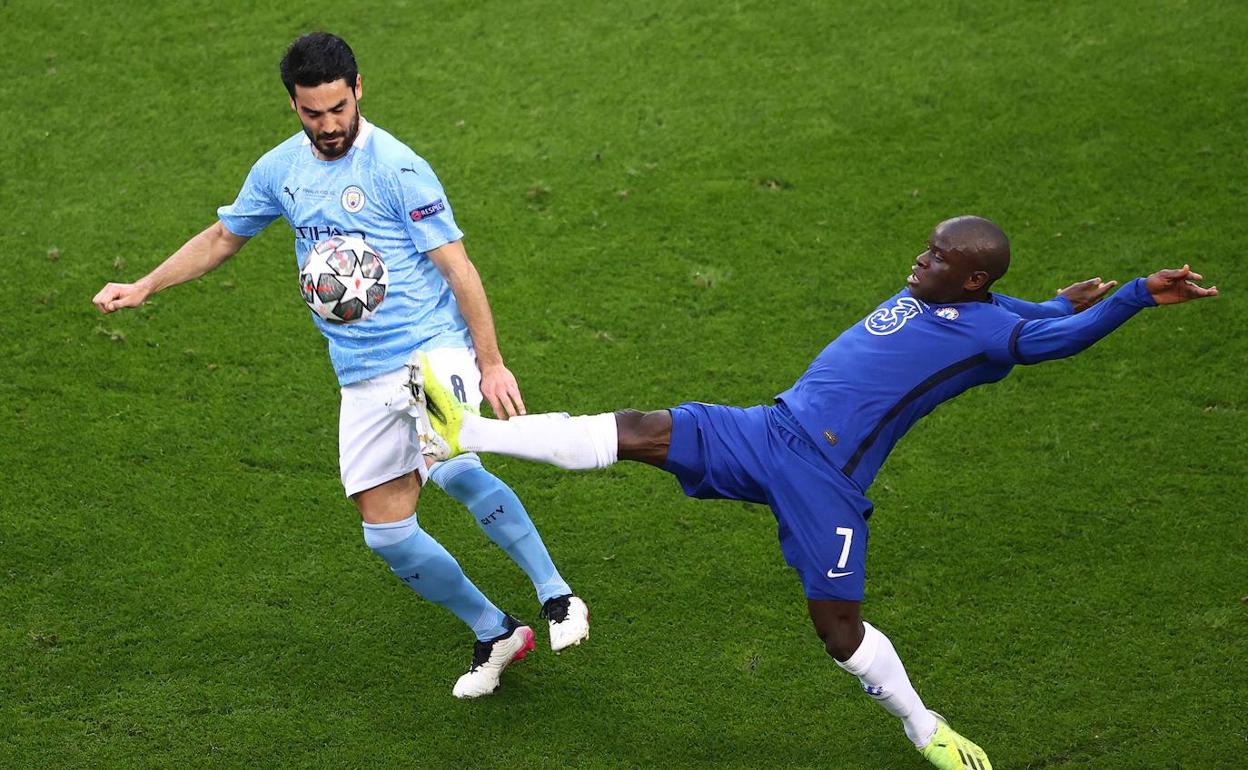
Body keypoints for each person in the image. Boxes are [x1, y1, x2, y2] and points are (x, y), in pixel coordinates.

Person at [415, 215, 1217, 768]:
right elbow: (1026, 313)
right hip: (770, 428)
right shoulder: (969, 300)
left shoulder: (987, 327)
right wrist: (1050, 301)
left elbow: (1049, 340)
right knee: (638, 428)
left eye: (936, 257)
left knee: (836, 630)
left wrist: (1134, 296)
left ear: (967, 277)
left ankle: (923, 725)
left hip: (824, 482)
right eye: (925, 248)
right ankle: (468, 434)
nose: (919, 260)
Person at [91, 31, 589, 699]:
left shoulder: (397, 168)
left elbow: (458, 268)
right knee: (388, 536)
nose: (327, 126)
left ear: (358, 90)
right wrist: (145, 285)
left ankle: (558, 595)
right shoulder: (280, 171)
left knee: (455, 462)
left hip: (431, 347)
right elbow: (222, 237)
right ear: (293, 105)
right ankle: (496, 630)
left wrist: (491, 363)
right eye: (311, 113)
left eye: (337, 110)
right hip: (360, 373)